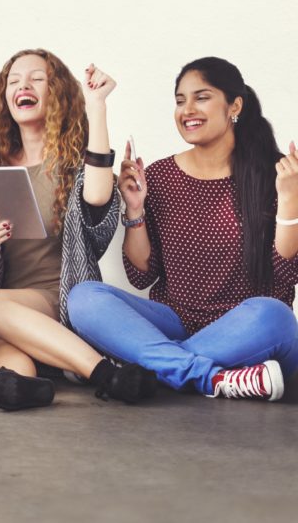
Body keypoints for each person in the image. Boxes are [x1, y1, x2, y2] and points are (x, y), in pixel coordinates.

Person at [68, 56, 298, 401]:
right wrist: (135, 209)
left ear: (235, 105)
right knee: (84, 297)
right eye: (180, 100)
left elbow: (285, 275)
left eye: (201, 97)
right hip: (175, 321)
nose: (187, 109)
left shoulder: (276, 175)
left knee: (274, 314)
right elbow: (143, 275)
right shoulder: (160, 176)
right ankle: (212, 377)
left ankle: (154, 366)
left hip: (248, 330)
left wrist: (290, 203)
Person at [0, 50, 153, 411]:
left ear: (57, 92)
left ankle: (104, 375)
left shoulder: (76, 164)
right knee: (2, 351)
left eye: (36, 79)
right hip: (6, 310)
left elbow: (98, 194)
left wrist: (97, 105)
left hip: (58, 299)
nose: (23, 86)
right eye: (13, 81)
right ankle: (29, 388)